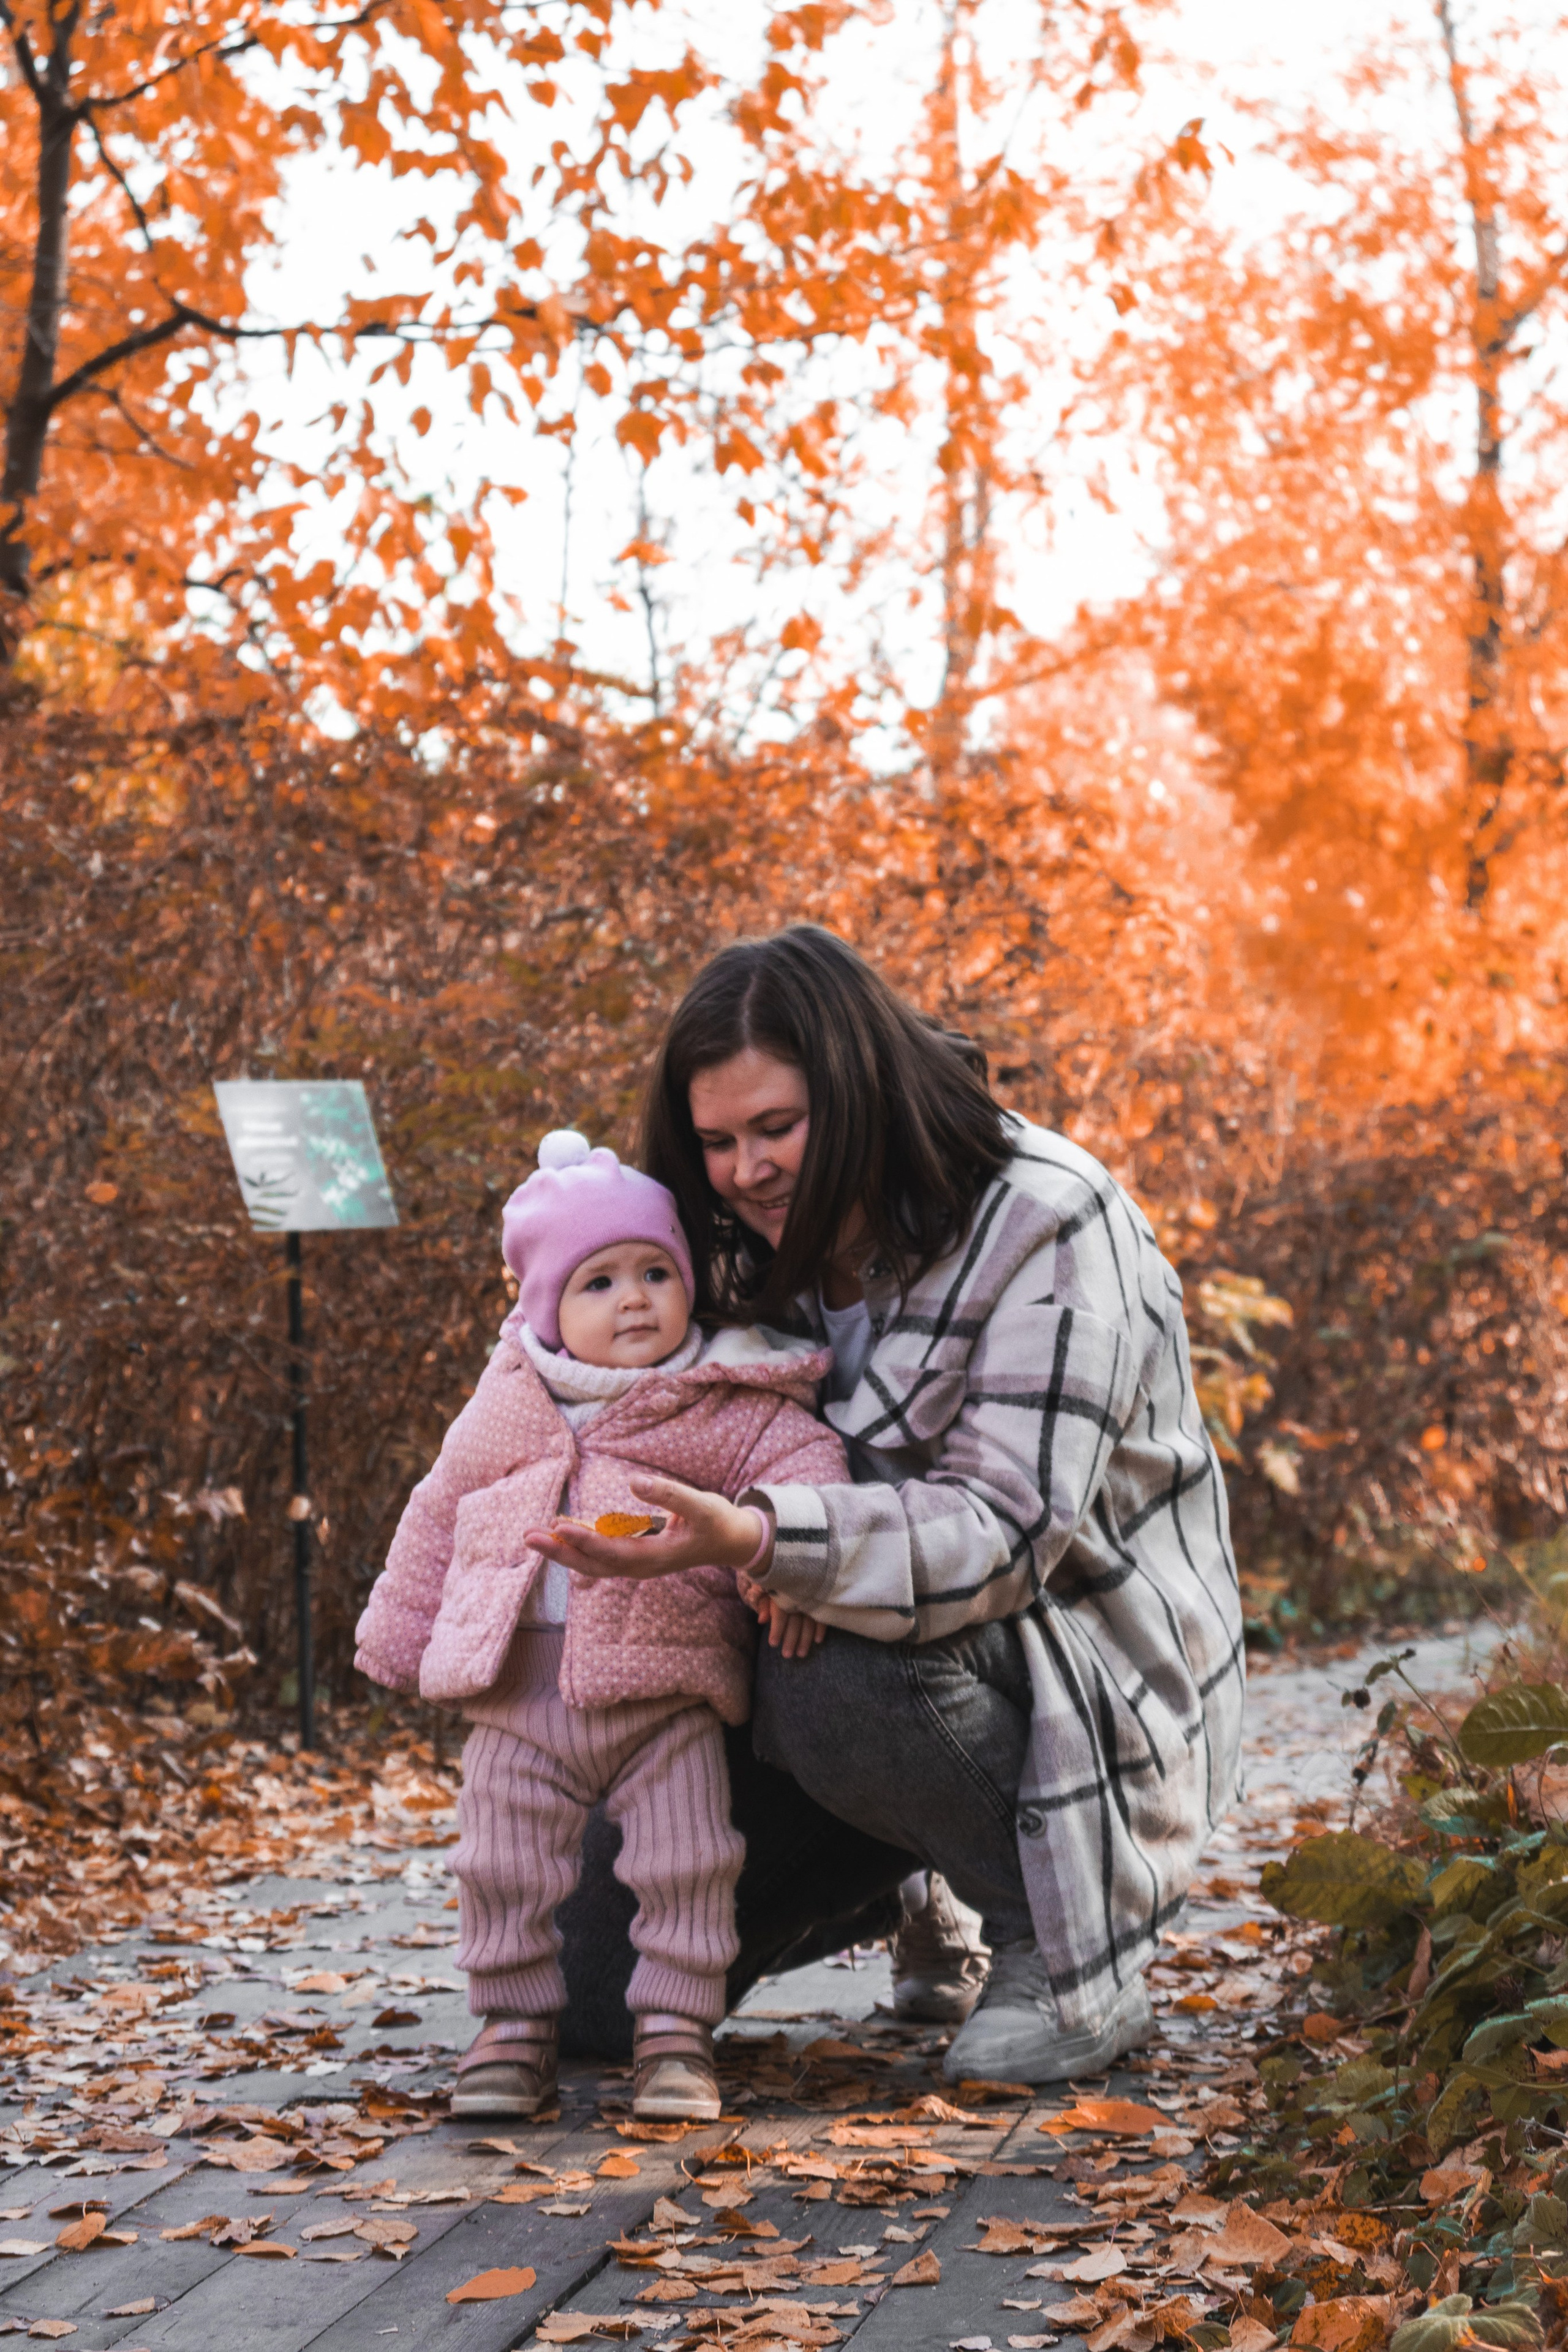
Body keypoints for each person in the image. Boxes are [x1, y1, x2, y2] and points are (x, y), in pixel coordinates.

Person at [527, 927, 1245, 2085]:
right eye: (717, 1142)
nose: (748, 1169)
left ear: (859, 1088)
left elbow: (1007, 1532)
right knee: (581, 1994)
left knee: (835, 1672)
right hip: (808, 1666)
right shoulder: (736, 1252)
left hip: (1074, 1678)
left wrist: (769, 1538)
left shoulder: (1046, 1219)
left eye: (777, 1128)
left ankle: (1068, 1955)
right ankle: (913, 1879)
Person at [353, 1129, 846, 2122]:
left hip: (665, 1695)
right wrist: (399, 1638)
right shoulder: (509, 1404)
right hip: (515, 1699)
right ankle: (511, 2030)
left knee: (688, 1865)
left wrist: (790, 1562)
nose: (634, 1298)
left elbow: (806, 1463)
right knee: (500, 1866)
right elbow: (439, 1507)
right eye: (599, 1281)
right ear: (545, 1308)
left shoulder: (715, 1395)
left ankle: (675, 2036)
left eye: (655, 1272)